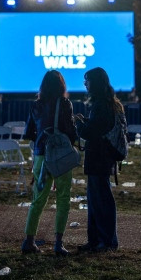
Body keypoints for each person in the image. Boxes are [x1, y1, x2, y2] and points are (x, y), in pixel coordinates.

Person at [21, 70, 79, 255]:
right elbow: (70, 131)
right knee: (63, 198)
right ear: (62, 86)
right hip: (60, 155)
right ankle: (58, 243)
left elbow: (29, 133)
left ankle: (29, 241)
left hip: (40, 155)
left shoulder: (36, 105)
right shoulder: (64, 104)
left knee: (38, 199)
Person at [77, 66, 122, 251]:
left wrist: (80, 125)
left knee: (101, 200)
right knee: (96, 199)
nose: (85, 84)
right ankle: (96, 240)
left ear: (94, 82)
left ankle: (107, 241)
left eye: (87, 80)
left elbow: (93, 132)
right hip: (102, 157)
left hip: (99, 157)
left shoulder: (101, 105)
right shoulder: (107, 103)